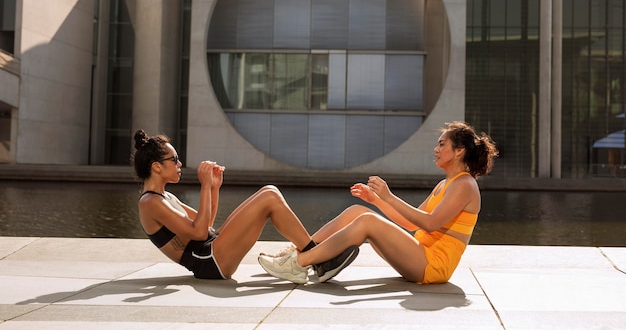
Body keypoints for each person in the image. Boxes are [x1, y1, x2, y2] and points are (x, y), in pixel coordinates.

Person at [259, 121, 498, 284]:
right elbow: (411, 222)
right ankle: (305, 250)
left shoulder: (464, 185)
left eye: (442, 144)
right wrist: (377, 200)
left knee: (366, 222)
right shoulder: (447, 183)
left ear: (459, 151)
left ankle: (298, 264)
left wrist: (389, 196)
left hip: (432, 265)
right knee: (358, 211)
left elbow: (431, 224)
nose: (436, 149)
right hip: (419, 254)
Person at [132, 129, 357, 283]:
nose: (180, 164)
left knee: (269, 192)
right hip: (209, 262)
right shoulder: (150, 202)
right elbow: (199, 232)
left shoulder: (164, 197)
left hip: (212, 251)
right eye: (174, 159)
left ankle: (315, 259)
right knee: (269, 196)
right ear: (157, 167)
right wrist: (204, 186)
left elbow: (206, 224)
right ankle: (318, 260)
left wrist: (213, 188)